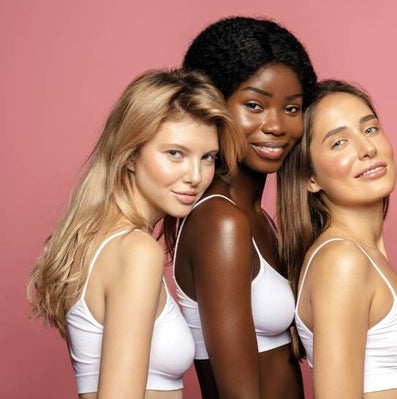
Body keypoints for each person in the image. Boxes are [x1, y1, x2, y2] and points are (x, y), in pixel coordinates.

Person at [27, 69, 245, 399]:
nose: (195, 176)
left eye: (208, 158)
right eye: (176, 154)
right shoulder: (137, 251)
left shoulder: (97, 241)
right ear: (130, 155)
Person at [173, 16, 317, 399]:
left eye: (292, 108)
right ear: (213, 107)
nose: (276, 126)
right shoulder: (221, 221)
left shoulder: (258, 218)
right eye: (255, 105)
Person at [278, 80, 397, 399]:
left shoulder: (362, 255)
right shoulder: (341, 261)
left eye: (370, 129)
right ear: (310, 178)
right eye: (338, 142)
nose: (367, 148)